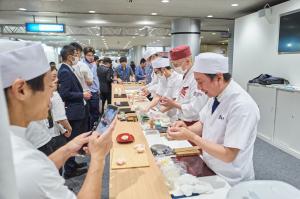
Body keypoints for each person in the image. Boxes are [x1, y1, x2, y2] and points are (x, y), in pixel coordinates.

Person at [0, 39, 115, 199]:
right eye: (50, 86)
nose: (53, 94)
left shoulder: (14, 140)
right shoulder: (24, 163)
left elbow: (39, 167)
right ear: (21, 90)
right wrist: (99, 157)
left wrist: (68, 149)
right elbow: (35, 172)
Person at [168, 52, 260, 186]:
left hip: (231, 179)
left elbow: (228, 154)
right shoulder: (215, 95)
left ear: (218, 77)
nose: (199, 88)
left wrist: (192, 137)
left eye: (200, 82)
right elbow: (202, 124)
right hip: (210, 167)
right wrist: (185, 129)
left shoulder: (242, 106)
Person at [58, 45, 91, 178]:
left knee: (76, 139)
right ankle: (70, 170)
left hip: (77, 109)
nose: (77, 57)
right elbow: (64, 94)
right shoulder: (65, 71)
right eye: (76, 54)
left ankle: (73, 163)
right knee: (73, 140)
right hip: (73, 111)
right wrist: (81, 95)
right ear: (70, 56)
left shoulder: (68, 69)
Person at [160, 45, 208, 126]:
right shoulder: (185, 76)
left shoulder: (196, 78)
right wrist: (170, 102)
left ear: (188, 61)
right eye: (173, 65)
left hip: (193, 123)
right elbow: (182, 98)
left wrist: (173, 104)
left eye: (176, 65)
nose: (175, 68)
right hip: (182, 119)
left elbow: (194, 108)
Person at [82, 46, 100, 130]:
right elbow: (89, 79)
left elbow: (95, 78)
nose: (91, 57)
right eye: (89, 55)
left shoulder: (94, 64)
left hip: (95, 91)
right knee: (89, 113)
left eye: (92, 55)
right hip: (87, 92)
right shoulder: (82, 64)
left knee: (96, 112)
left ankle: (94, 128)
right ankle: (90, 131)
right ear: (84, 55)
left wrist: (98, 89)